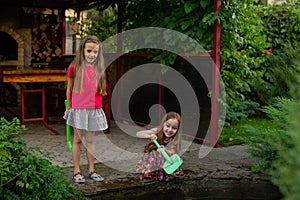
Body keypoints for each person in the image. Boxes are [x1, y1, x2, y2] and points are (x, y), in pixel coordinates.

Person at [64, 35, 108, 183]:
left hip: (93, 109)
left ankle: (92, 170)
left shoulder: (99, 68)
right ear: (82, 50)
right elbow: (69, 88)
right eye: (89, 51)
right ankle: (76, 171)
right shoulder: (74, 67)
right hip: (79, 109)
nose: (92, 55)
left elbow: (100, 89)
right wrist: (69, 107)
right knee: (77, 140)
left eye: (95, 52)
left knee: (90, 140)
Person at [135, 112, 183, 181]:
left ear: (178, 129)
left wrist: (165, 150)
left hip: (165, 159)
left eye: (174, 128)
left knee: (158, 155)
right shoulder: (158, 130)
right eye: (168, 126)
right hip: (153, 158)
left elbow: (173, 152)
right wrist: (149, 136)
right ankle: (150, 173)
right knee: (153, 153)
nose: (170, 130)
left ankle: (160, 174)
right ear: (163, 123)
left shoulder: (174, 139)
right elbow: (138, 133)